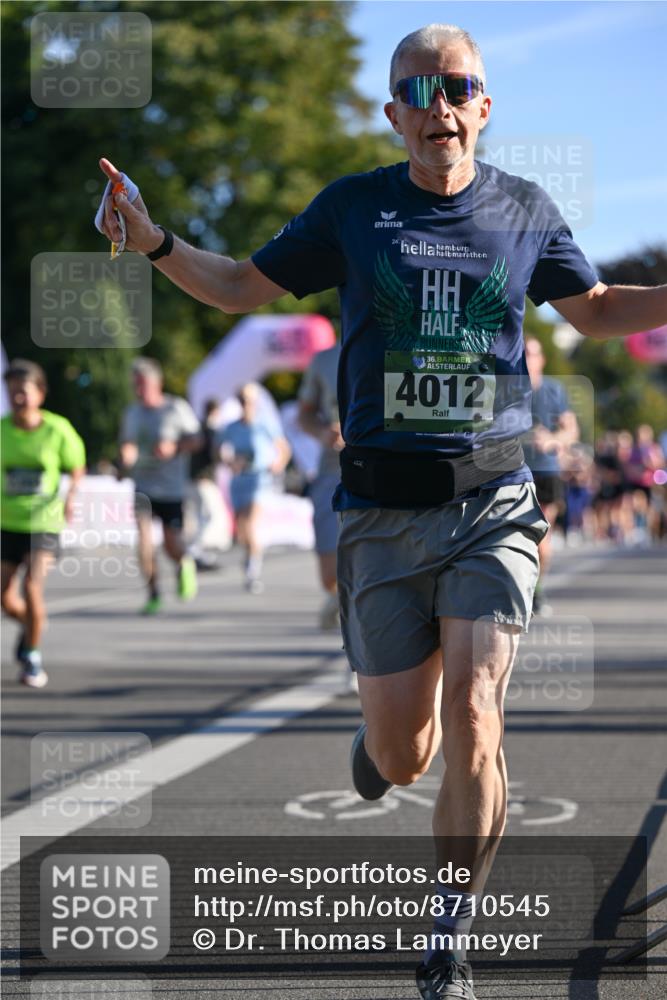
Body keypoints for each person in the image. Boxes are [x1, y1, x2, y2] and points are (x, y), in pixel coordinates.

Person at [98, 21, 667, 997]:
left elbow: (598, 307)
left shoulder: (524, 210)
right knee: (407, 752)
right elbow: (238, 286)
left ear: (483, 105)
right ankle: (380, 745)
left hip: (493, 501)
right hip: (377, 514)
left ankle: (449, 928)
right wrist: (151, 239)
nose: (439, 105)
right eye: (419, 89)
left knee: (477, 713)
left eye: (458, 86)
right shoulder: (354, 207)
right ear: (394, 111)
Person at [1, 360, 85, 688]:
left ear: (40, 393)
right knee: (4, 597)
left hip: (44, 524)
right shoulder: (2, 429)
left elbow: (76, 466)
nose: (17, 398)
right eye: (11, 392)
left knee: (31, 587)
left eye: (23, 391)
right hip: (6, 522)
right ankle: (32, 623)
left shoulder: (57, 429)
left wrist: (72, 495)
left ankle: (32, 655)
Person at [119, 357, 201, 614]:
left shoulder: (176, 408)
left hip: (171, 488)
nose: (139, 390)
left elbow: (197, 440)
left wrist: (175, 447)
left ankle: (184, 562)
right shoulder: (132, 412)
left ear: (157, 383)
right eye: (136, 385)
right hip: (143, 485)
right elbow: (127, 443)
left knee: (171, 545)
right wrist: (126, 456)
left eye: (143, 384)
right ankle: (153, 592)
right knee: (143, 540)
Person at [217, 383, 291, 594]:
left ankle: (252, 570)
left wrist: (276, 465)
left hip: (259, 480)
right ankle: (251, 556)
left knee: (250, 523)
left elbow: (283, 449)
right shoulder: (232, 427)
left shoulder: (264, 424)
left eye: (248, 400)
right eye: (241, 400)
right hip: (239, 480)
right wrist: (230, 462)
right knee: (241, 530)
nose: (245, 404)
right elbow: (219, 451)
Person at [522, 337, 579, 611]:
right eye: (524, 354)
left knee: (541, 541)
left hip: (546, 471)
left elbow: (571, 431)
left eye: (533, 354)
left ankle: (537, 589)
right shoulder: (506, 390)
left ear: (541, 359)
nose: (528, 359)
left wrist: (553, 440)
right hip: (512, 471)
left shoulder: (554, 390)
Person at [298, 342, 343, 629]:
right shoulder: (324, 360)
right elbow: (304, 415)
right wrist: (323, 432)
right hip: (333, 468)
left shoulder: (402, 343)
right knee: (329, 574)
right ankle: (339, 597)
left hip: (386, 466)